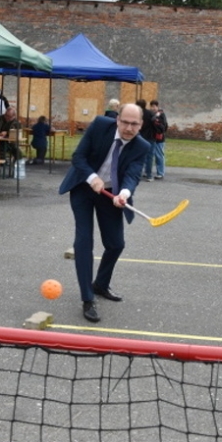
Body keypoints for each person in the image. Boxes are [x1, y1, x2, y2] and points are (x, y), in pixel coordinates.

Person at [58, 103, 150, 323]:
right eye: (125, 122)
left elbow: (133, 175)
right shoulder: (100, 126)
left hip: (111, 194)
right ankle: (87, 298)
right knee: (83, 242)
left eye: (134, 124)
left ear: (141, 125)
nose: (128, 128)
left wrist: (124, 194)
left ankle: (100, 284)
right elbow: (78, 157)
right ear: (117, 119)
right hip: (83, 187)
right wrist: (92, 178)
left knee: (116, 244)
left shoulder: (142, 146)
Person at [136, 98, 156, 182]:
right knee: (149, 156)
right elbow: (154, 124)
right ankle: (149, 175)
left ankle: (138, 173)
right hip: (150, 136)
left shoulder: (137, 114)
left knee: (138, 156)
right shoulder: (150, 113)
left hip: (139, 136)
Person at [149, 99, 167, 180]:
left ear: (157, 106)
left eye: (154, 106)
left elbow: (164, 126)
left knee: (159, 155)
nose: (153, 108)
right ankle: (148, 172)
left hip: (159, 138)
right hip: (152, 137)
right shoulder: (151, 114)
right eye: (152, 106)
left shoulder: (161, 115)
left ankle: (160, 173)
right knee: (150, 155)